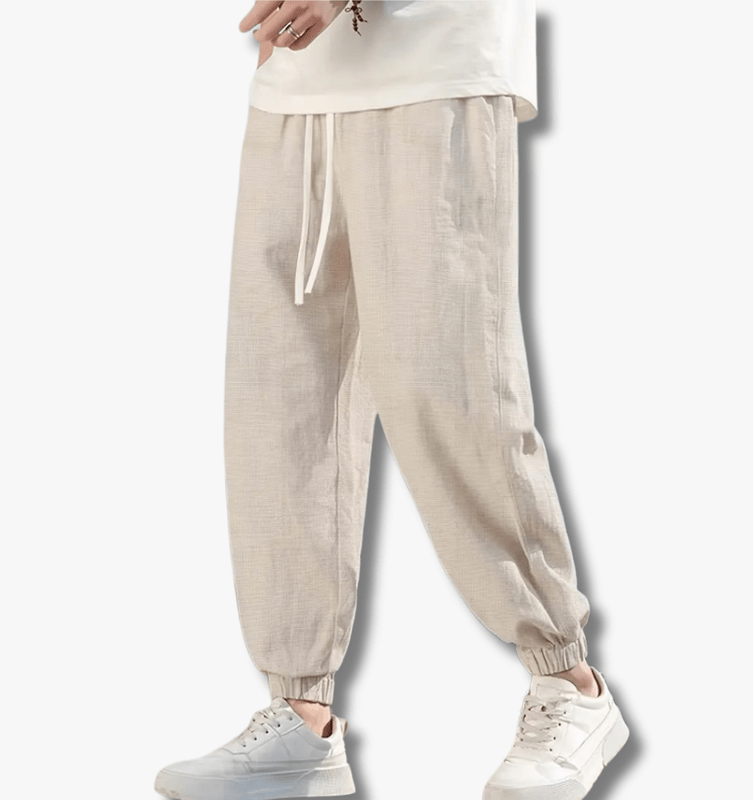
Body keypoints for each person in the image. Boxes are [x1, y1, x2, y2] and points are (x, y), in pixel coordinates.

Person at [154, 2, 629, 799]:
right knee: (280, 402)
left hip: (435, 62)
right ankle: (300, 714)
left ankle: (569, 680)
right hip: (298, 86)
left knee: (448, 383)